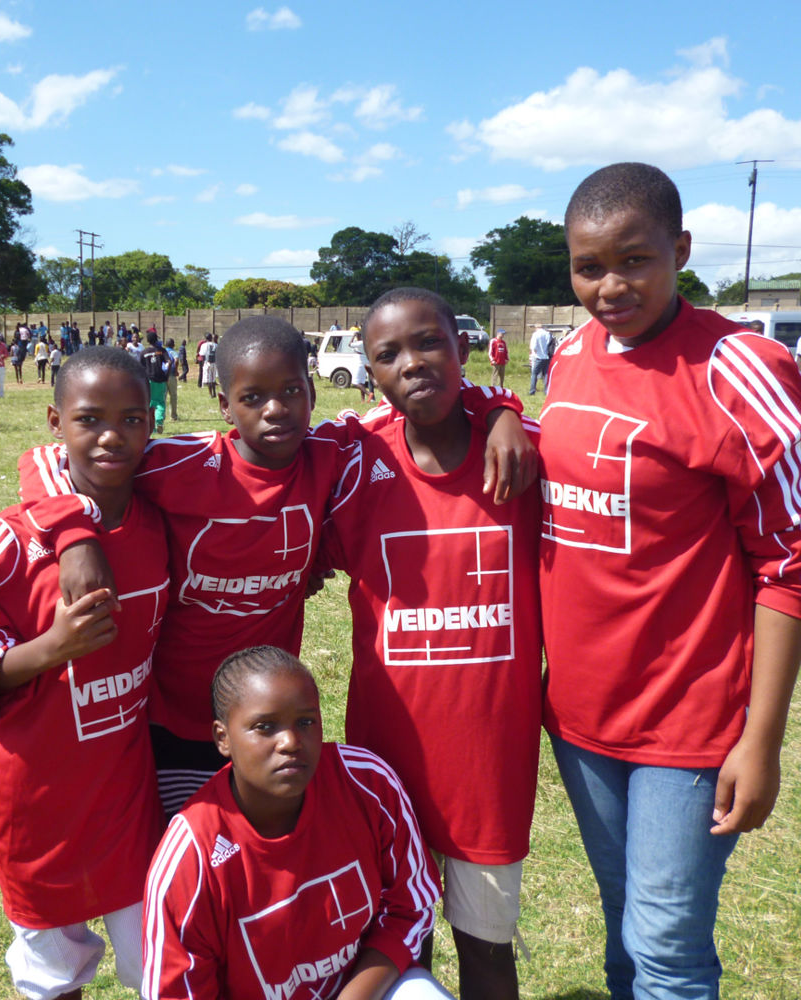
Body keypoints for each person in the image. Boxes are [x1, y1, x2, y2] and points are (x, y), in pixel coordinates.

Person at [17, 317, 530, 815]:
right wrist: (75, 537)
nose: (276, 410)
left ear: (312, 391)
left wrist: (501, 410)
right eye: (253, 397)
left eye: (291, 391)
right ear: (224, 406)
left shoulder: (331, 450)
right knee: (190, 852)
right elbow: (51, 459)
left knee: (263, 856)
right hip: (174, 717)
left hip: (269, 723)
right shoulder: (180, 464)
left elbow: (417, 402)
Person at [542, 161, 801, 1000]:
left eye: (635, 260)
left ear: (680, 250)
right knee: (624, 920)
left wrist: (760, 742)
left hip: (690, 723)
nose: (609, 286)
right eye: (589, 267)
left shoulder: (740, 368)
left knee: (666, 946)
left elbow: (789, 567)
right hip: (581, 719)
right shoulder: (571, 355)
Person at [317, 288, 542, 1000]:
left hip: (488, 763)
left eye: (429, 344)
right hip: (386, 764)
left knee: (487, 953)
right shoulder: (353, 459)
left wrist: (501, 408)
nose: (411, 363)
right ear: (371, 371)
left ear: (463, 349)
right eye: (388, 354)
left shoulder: (526, 455)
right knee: (392, 949)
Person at [0, 347, 168, 1000]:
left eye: (130, 419)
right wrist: (52, 648)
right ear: (54, 421)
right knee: (52, 969)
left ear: (150, 422)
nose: (110, 436)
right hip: (36, 801)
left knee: (162, 960)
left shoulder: (158, 522)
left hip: (125, 792)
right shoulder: (14, 541)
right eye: (89, 419)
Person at [142, 646, 452, 1000]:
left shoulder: (367, 783)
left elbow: (408, 908)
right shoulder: (191, 856)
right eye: (265, 727)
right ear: (222, 738)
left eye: (305, 722)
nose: (290, 742)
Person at [141, 331, 171, 434]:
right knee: (160, 402)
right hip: (160, 380)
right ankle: (159, 422)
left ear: (148, 340)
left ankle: (151, 426)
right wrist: (166, 375)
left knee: (150, 402)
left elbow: (140, 367)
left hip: (148, 380)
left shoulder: (144, 353)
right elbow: (169, 362)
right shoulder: (161, 351)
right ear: (156, 340)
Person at [527, 324, 551, 395]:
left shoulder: (535, 334)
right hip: (546, 357)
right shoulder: (547, 334)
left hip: (538, 357)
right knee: (546, 374)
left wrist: (534, 353)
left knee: (534, 374)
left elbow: (533, 346)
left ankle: (532, 391)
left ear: (536, 328)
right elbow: (548, 343)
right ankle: (546, 391)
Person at [164, 338, 180, 420]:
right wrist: (176, 370)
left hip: (163, 375)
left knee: (163, 396)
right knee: (173, 396)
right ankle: (173, 416)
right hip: (171, 375)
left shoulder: (163, 351)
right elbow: (176, 360)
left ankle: (162, 416)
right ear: (173, 345)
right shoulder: (173, 352)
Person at [201, 333, 218, 398]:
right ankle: (214, 392)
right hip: (214, 363)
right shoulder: (215, 345)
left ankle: (210, 394)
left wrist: (203, 364)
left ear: (206, 338)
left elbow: (202, 354)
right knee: (213, 378)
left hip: (207, 362)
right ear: (211, 338)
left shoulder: (204, 345)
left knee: (208, 379)